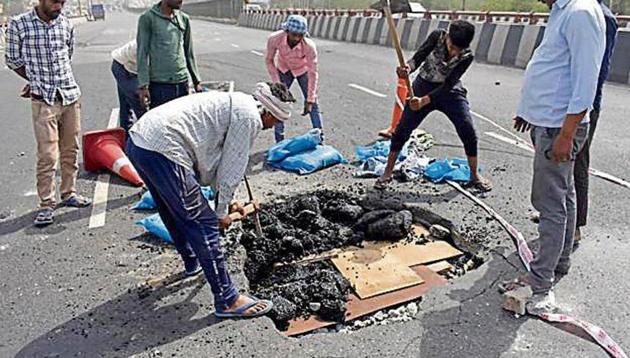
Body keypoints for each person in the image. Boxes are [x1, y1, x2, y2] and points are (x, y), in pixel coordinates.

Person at [126, 82, 295, 318]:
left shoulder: (238, 102)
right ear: (269, 112)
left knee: (172, 208)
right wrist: (221, 213)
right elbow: (231, 169)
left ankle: (193, 261)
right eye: (276, 121)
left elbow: (219, 158)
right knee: (203, 223)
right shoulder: (249, 117)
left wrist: (229, 200)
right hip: (163, 147)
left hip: (141, 141)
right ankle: (228, 300)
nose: (274, 126)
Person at [503, 0, 605, 312]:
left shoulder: (581, 13)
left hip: (558, 126)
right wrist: (528, 111)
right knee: (565, 194)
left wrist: (566, 134)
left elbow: (585, 80)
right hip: (546, 120)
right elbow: (553, 67)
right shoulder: (563, 10)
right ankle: (559, 262)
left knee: (549, 203)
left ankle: (540, 281)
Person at [375, 20, 492, 192]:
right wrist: (407, 68)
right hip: (423, 85)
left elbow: (449, 84)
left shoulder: (467, 56)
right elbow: (418, 57)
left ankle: (474, 175)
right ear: (448, 37)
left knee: (468, 130)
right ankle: (387, 172)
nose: (454, 52)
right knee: (402, 130)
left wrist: (424, 101)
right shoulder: (437, 36)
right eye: (452, 46)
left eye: (458, 50)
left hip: (449, 92)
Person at [5, 0, 92, 227]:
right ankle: (46, 204)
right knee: (48, 155)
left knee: (71, 149)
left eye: (63, 2)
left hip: (70, 95)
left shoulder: (65, 23)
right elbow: (13, 60)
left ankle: (69, 192)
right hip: (43, 99)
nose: (59, 6)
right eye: (55, 2)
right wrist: (34, 80)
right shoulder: (19, 24)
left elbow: (67, 54)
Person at [573, 0, 618, 245]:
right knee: (560, 163)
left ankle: (576, 224)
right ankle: (562, 215)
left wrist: (582, 107)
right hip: (566, 101)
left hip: (584, 104)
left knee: (578, 161)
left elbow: (598, 69)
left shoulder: (602, 17)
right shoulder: (575, 11)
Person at [265, 14, 323, 142]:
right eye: (294, 34)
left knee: (313, 104)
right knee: (278, 102)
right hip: (284, 69)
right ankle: (279, 140)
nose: (297, 38)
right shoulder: (275, 39)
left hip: (302, 70)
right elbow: (269, 60)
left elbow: (313, 72)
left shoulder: (309, 46)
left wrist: (310, 98)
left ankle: (319, 137)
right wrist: (277, 83)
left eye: (300, 35)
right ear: (287, 31)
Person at [136, 0, 201, 110]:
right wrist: (143, 85)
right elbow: (142, 54)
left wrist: (196, 81)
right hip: (160, 86)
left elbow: (189, 53)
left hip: (182, 83)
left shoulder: (183, 19)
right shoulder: (148, 18)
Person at [111, 40, 146, 132]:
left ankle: (125, 133)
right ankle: (144, 134)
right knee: (138, 104)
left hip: (130, 66)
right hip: (122, 67)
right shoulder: (143, 47)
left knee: (125, 104)